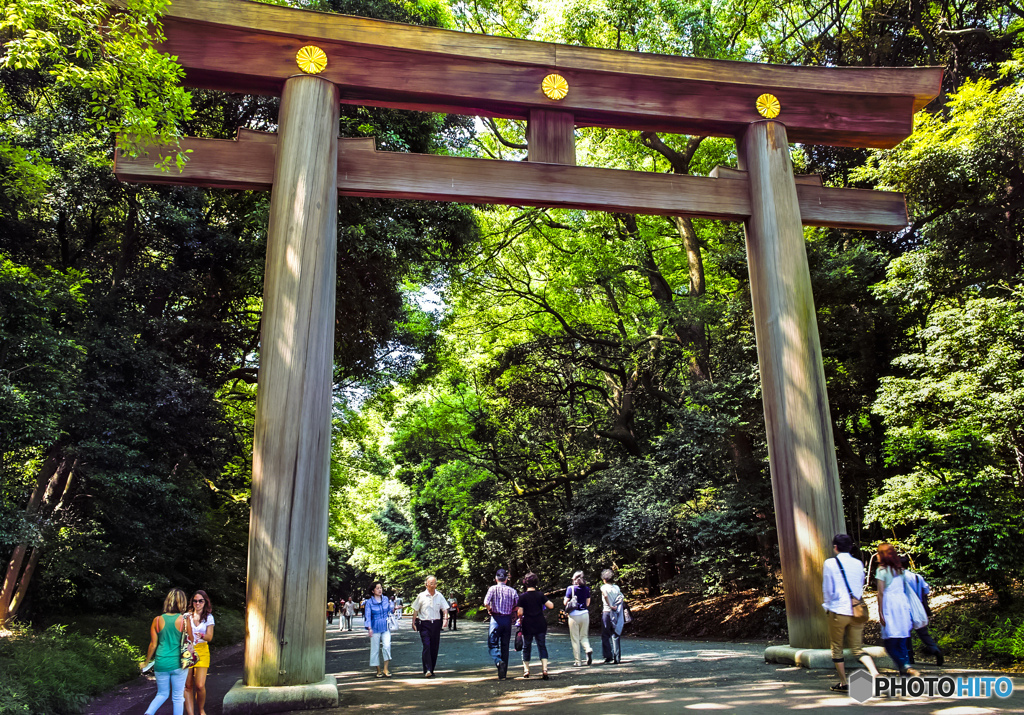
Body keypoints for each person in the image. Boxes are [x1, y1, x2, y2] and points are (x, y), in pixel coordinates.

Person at [821, 535, 879, 692]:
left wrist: (827, 604)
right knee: (857, 649)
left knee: (837, 647)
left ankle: (843, 682)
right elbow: (860, 584)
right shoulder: (858, 563)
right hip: (857, 610)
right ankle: (874, 673)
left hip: (838, 611)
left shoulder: (830, 563)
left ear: (835, 547)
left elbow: (828, 589)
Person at [143, 588, 191, 715]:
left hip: (161, 662)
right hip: (178, 663)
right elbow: (190, 641)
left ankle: (148, 713)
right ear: (182, 602)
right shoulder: (184, 620)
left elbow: (153, 644)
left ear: (168, 601)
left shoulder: (157, 620)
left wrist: (146, 662)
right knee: (177, 697)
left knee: (162, 694)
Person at [875, 543, 920, 677]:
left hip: (890, 606)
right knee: (901, 641)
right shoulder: (899, 570)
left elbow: (881, 593)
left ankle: (905, 667)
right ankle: (905, 670)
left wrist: (880, 612)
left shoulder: (882, 571)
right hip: (902, 605)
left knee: (890, 644)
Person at [901, 555, 944, 667]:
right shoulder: (917, 577)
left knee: (906, 634)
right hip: (919, 608)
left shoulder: (899, 577)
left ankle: (910, 657)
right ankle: (935, 650)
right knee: (923, 633)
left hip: (905, 608)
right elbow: (926, 590)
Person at [183, 590, 215, 715]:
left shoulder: (209, 617)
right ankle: (191, 713)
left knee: (200, 685)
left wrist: (201, 635)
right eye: (195, 601)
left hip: (202, 650)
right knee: (188, 685)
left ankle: (201, 710)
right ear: (192, 602)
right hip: (188, 650)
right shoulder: (187, 616)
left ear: (205, 602)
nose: (197, 603)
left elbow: (210, 637)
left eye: (200, 601)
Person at [484, 568, 519, 680]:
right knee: (505, 646)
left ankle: (499, 661)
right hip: (507, 619)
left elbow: (485, 602)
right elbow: (517, 605)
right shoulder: (512, 591)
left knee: (492, 643)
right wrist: (512, 611)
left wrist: (489, 609)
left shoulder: (492, 589)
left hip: (495, 618)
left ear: (496, 579)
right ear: (506, 579)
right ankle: (503, 674)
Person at [517, 572, 553, 680]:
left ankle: (526, 670)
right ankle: (545, 669)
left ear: (525, 583)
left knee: (526, 647)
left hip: (527, 624)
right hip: (540, 623)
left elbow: (520, 612)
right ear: (536, 583)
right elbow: (551, 605)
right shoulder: (540, 595)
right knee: (542, 645)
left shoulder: (522, 597)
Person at [411, 575, 449, 677]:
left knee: (434, 647)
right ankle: (427, 669)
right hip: (424, 624)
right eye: (431, 583)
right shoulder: (421, 596)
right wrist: (413, 622)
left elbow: (445, 609)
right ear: (426, 584)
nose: (433, 585)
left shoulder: (439, 596)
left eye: (434, 583)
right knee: (426, 645)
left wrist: (445, 619)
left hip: (436, 624)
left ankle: (431, 669)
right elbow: (415, 610)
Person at [364, 582, 396, 678]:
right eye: (377, 588)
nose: (380, 590)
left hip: (385, 626)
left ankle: (386, 668)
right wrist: (369, 628)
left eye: (380, 588)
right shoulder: (369, 602)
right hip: (374, 627)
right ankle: (378, 670)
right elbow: (368, 616)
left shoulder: (386, 599)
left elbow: (390, 610)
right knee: (375, 649)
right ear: (373, 591)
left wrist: (394, 607)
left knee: (387, 646)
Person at [564, 570, 593, 666]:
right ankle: (588, 649)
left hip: (573, 615)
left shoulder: (570, 589)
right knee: (584, 636)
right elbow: (588, 603)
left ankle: (578, 661)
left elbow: (565, 602)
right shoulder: (586, 589)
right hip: (585, 614)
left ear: (574, 579)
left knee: (575, 639)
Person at [599, 569, 624, 665]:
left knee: (605, 634)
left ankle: (608, 656)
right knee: (616, 633)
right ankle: (617, 657)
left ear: (604, 579)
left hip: (607, 611)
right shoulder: (616, 588)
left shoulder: (603, 587)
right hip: (616, 612)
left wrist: (609, 605)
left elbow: (605, 596)